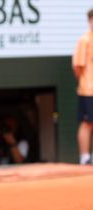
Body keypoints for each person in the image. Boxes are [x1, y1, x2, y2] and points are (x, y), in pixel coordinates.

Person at [73, 8, 93, 165]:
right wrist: (84, 81)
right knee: (87, 123)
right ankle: (85, 157)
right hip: (88, 89)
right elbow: (77, 66)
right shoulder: (84, 40)